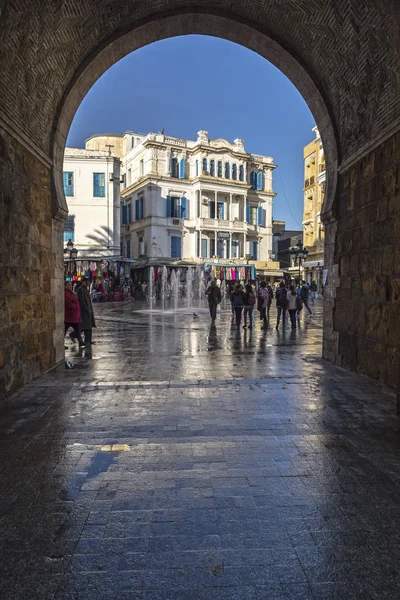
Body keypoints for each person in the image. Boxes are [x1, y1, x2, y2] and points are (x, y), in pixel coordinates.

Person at [64, 281, 85, 346]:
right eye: (69, 284)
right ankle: (80, 341)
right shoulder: (66, 293)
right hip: (70, 315)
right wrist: (75, 307)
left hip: (74, 315)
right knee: (65, 330)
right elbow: (68, 303)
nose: (70, 286)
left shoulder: (70, 293)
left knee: (77, 328)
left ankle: (80, 341)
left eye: (71, 284)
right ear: (65, 286)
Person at [77, 277, 96, 345]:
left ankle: (88, 340)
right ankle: (85, 340)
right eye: (87, 282)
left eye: (88, 282)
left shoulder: (86, 289)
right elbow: (81, 301)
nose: (88, 283)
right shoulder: (80, 290)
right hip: (84, 312)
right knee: (85, 326)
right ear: (83, 282)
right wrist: (86, 308)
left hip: (88, 310)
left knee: (88, 326)